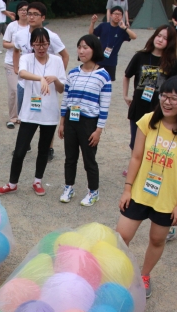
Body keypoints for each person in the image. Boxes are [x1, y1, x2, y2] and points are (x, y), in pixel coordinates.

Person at [117, 76, 177, 298]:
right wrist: (127, 189)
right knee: (121, 236)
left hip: (167, 198)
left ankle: (144, 275)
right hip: (140, 192)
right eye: (164, 96)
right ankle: (119, 272)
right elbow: (136, 157)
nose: (167, 102)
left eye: (174, 99)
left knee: (157, 239)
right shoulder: (148, 120)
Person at [0, 28, 66, 197]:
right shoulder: (26, 58)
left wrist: (55, 79)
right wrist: (40, 78)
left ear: (49, 44)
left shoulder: (57, 61)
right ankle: (12, 183)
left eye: (44, 44)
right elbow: (22, 73)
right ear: (32, 44)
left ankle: (37, 181)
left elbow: (62, 89)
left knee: (43, 149)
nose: (41, 48)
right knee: (20, 150)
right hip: (29, 112)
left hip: (49, 113)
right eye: (37, 44)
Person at [58, 35, 111, 206]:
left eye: (86, 47)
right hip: (71, 121)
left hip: (89, 123)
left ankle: (93, 191)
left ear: (94, 50)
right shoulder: (73, 73)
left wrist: (98, 130)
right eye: (79, 47)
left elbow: (104, 106)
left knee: (89, 159)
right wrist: (62, 122)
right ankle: (69, 187)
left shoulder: (103, 76)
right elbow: (66, 99)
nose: (81, 51)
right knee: (70, 157)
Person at [13, 1, 69, 161]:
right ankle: (25, 144)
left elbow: (65, 55)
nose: (31, 17)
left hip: (45, 85)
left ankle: (48, 147)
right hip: (26, 83)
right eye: (29, 13)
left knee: (46, 116)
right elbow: (16, 50)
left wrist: (56, 76)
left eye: (35, 14)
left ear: (43, 17)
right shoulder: (20, 34)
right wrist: (17, 68)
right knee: (26, 117)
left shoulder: (51, 36)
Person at [122, 25, 177, 174]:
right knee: (135, 140)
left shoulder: (171, 62)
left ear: (170, 42)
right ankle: (134, 168)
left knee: (153, 140)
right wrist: (125, 95)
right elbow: (127, 75)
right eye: (159, 36)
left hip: (158, 108)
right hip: (139, 106)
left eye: (165, 38)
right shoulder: (140, 56)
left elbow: (175, 86)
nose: (160, 40)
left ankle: (149, 168)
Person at [88, 6, 137, 82]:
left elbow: (134, 37)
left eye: (119, 14)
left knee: (108, 82)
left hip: (111, 61)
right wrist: (92, 23)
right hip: (99, 59)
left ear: (122, 16)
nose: (117, 16)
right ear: (111, 15)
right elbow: (91, 34)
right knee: (95, 80)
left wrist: (125, 27)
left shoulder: (122, 30)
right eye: (115, 14)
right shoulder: (103, 26)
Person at [2, 1, 29, 129]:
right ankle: (13, 116)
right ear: (17, 12)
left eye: (26, 10)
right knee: (14, 89)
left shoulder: (32, 27)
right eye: (21, 9)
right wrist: (17, 44)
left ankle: (23, 115)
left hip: (27, 63)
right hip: (11, 63)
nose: (24, 12)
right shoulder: (12, 26)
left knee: (26, 90)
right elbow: (5, 44)